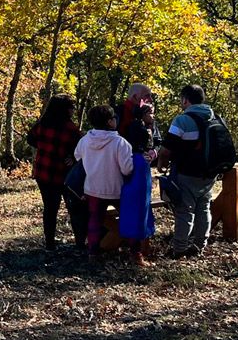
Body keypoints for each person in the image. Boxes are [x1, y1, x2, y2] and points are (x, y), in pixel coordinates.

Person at [160, 84, 227, 258]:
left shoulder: (182, 120)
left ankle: (179, 249)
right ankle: (199, 245)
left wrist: (161, 162)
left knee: (184, 210)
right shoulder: (216, 117)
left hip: (187, 172)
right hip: (210, 173)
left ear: (185, 99)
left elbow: (167, 149)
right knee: (204, 207)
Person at [75, 105, 134, 259]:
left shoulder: (85, 140)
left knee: (94, 220)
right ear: (110, 122)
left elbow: (77, 157)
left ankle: (92, 252)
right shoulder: (120, 143)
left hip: (92, 188)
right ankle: (136, 252)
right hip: (117, 189)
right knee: (129, 218)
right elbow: (127, 169)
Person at [27, 94, 85, 250]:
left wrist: (43, 147)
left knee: (50, 208)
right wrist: (72, 158)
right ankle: (80, 243)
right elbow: (82, 148)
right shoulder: (70, 128)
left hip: (43, 171)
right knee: (74, 208)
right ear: (65, 110)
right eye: (71, 107)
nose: (73, 110)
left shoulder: (42, 124)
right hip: (64, 174)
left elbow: (30, 139)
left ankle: (50, 243)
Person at [119, 104, 157, 266]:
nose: (153, 117)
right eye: (151, 113)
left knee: (138, 210)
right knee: (140, 210)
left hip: (138, 166)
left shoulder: (131, 129)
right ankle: (136, 252)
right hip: (139, 168)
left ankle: (136, 248)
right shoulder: (141, 129)